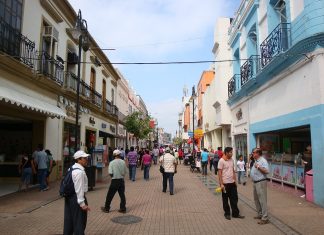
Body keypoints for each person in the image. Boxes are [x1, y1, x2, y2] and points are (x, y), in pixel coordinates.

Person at [63, 150, 90, 235]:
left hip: (69, 198)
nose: (86, 159)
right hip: (77, 199)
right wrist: (82, 204)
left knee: (69, 222)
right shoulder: (79, 172)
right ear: (79, 159)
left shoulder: (71, 168)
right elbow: (79, 189)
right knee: (79, 223)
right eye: (84, 158)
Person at [218, 147, 245, 220]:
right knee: (225, 200)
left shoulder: (232, 160)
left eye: (232, 152)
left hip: (232, 183)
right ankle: (227, 213)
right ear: (226, 152)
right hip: (225, 184)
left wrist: (235, 181)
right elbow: (219, 173)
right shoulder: (221, 161)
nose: (232, 153)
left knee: (234, 199)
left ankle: (235, 214)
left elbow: (233, 170)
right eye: (230, 152)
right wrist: (221, 184)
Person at [101, 149, 127, 213]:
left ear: (114, 155)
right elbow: (124, 172)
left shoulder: (112, 163)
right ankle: (123, 208)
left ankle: (106, 208)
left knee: (110, 195)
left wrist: (113, 176)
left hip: (114, 181)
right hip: (121, 180)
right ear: (120, 155)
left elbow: (110, 173)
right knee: (122, 195)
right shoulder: (123, 162)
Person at [250, 147, 269, 225]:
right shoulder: (255, 160)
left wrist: (258, 167)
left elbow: (267, 171)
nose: (252, 153)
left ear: (258, 153)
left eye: (254, 152)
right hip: (255, 182)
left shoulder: (263, 161)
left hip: (261, 182)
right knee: (256, 199)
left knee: (262, 200)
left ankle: (265, 218)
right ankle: (260, 214)